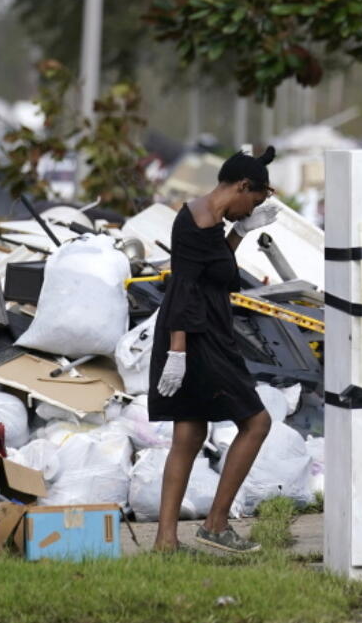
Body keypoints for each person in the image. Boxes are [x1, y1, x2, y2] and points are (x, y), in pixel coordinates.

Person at [148, 146, 280, 553]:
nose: (249, 209)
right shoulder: (198, 221)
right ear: (241, 186)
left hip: (200, 332)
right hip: (197, 338)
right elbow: (185, 288)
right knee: (256, 423)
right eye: (253, 201)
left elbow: (216, 269)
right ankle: (216, 524)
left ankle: (166, 543)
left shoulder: (206, 217)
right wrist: (178, 353)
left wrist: (241, 231)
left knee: (188, 434)